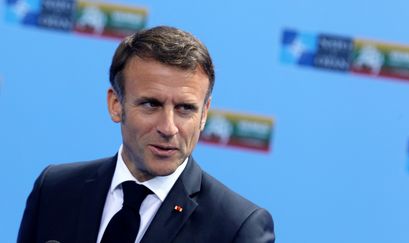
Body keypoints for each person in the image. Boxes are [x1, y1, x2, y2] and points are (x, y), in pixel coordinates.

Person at [17, 26, 275, 243]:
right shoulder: (54, 189)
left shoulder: (238, 228)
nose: (169, 128)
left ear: (204, 114)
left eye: (185, 108)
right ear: (116, 104)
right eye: (151, 104)